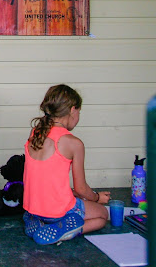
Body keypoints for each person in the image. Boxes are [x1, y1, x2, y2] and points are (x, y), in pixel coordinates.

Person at [23, 84, 110, 245]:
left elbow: (46, 177)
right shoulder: (73, 143)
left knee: (72, 197)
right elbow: (81, 188)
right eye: (79, 112)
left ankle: (38, 222)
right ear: (72, 110)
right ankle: (62, 230)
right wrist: (97, 198)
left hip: (33, 208)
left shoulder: (36, 132)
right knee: (102, 216)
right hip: (56, 212)